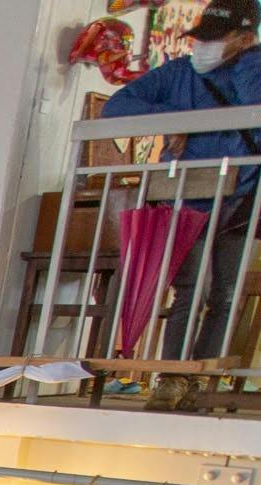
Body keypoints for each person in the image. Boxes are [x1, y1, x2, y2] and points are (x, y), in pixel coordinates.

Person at [101, 0, 261, 406]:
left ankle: (201, 382)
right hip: (188, 200)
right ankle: (173, 377)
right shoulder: (177, 74)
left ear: (245, 39)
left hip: (242, 200)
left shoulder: (252, 69)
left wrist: (247, 63)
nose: (203, 47)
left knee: (225, 294)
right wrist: (173, 118)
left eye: (216, 39)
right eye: (201, 38)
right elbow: (115, 108)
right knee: (192, 289)